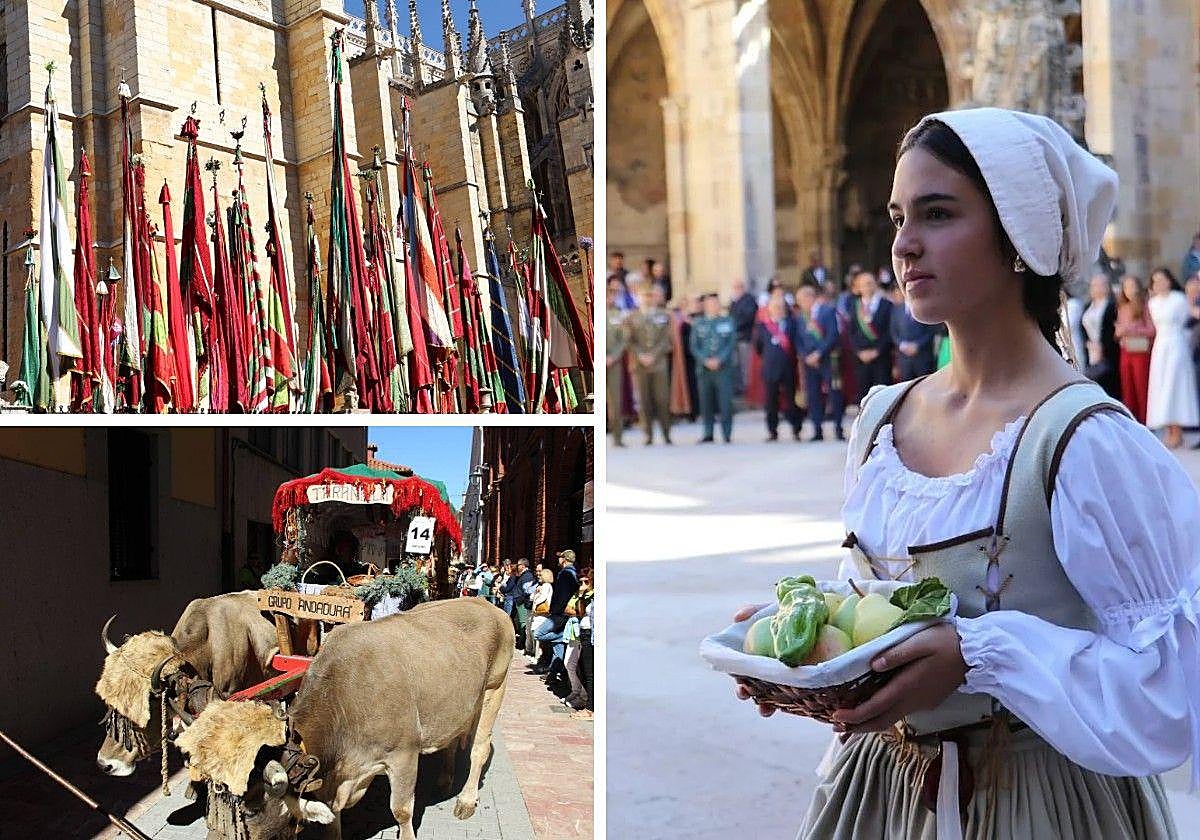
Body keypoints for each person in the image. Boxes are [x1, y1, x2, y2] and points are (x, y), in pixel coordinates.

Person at [734, 107, 1195, 838]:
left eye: (938, 213)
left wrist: (978, 657)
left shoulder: (1086, 440)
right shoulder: (882, 419)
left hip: (1039, 801)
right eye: (897, 218)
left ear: (1020, 235)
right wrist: (807, 638)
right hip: (880, 793)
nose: (904, 246)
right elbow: (878, 596)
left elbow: (1169, 697)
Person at [1147, 266, 1198, 448]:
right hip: (1160, 347)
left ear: (1169, 280)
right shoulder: (1152, 303)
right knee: (1161, 386)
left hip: (1176, 345)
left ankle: (1178, 430)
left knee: (1174, 385)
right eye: (1156, 281)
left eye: (1162, 279)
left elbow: (1186, 320)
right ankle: (1169, 429)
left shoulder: (1179, 299)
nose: (1159, 283)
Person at [796, 284, 844, 441]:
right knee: (813, 395)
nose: (801, 304)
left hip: (828, 359)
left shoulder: (827, 311)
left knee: (834, 393)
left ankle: (838, 428)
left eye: (802, 301)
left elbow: (833, 335)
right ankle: (817, 430)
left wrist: (819, 354)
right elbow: (798, 340)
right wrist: (806, 356)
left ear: (810, 298)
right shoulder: (800, 317)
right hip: (810, 363)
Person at [752, 293, 803, 441]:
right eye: (775, 307)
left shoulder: (792, 323)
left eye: (781, 307)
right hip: (770, 369)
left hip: (788, 368)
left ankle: (796, 429)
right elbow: (758, 347)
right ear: (769, 309)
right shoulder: (763, 326)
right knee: (771, 402)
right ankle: (772, 431)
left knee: (791, 400)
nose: (778, 310)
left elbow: (796, 343)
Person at [627, 286, 673, 445]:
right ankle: (648, 435)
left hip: (659, 363)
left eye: (650, 296)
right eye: (644, 296)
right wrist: (640, 354)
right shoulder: (633, 317)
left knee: (662, 399)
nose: (647, 299)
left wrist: (653, 355)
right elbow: (630, 340)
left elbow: (666, 339)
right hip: (641, 363)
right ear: (639, 298)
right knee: (644, 400)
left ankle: (666, 433)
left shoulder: (663, 316)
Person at [689, 293, 737, 443]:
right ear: (705, 306)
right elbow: (694, 346)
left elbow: (731, 343)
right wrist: (705, 360)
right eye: (709, 304)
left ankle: (727, 433)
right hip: (704, 370)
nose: (713, 306)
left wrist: (720, 359)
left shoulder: (727, 321)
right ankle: (708, 432)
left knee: (725, 402)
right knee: (706, 402)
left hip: (723, 369)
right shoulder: (698, 323)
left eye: (715, 303)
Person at [532, 549, 580, 679]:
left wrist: (557, 610)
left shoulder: (566, 574)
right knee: (557, 646)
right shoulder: (573, 573)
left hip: (559, 613)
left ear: (564, 559)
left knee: (538, 633)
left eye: (560, 557)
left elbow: (562, 595)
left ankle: (561, 637)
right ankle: (553, 674)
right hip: (564, 613)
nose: (558, 560)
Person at [1115, 274, 1155, 424]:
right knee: (1128, 387)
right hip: (1125, 351)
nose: (1129, 290)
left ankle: (1145, 421)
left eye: (1132, 286)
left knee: (1141, 387)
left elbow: (1151, 330)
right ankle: (1132, 421)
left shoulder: (1144, 306)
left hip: (1140, 351)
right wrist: (1119, 331)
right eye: (1126, 287)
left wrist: (1131, 329)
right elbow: (1119, 330)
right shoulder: (1122, 307)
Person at [847, 270, 894, 393]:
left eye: (870, 283)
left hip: (881, 358)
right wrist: (859, 352)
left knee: (883, 395)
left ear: (875, 284)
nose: (868, 286)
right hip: (861, 359)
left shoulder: (887, 305)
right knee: (864, 395)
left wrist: (877, 351)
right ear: (859, 288)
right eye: (864, 284)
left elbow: (890, 331)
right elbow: (851, 332)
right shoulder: (854, 306)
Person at [1081, 273, 1120, 398]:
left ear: (1107, 287)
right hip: (1091, 350)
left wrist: (1103, 347)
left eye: (1101, 285)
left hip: (1108, 351)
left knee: (1108, 384)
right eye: (1094, 285)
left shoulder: (1112, 306)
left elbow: (1112, 328)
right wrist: (1087, 343)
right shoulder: (1088, 306)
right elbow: (1082, 327)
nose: (1097, 288)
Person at [888, 295, 938, 381]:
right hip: (904, 359)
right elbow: (893, 332)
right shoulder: (896, 309)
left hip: (923, 357)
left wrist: (917, 345)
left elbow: (931, 331)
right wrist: (902, 345)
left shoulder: (925, 308)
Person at [606, 277, 630, 447]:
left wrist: (613, 356)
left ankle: (618, 437)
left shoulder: (618, 315)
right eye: (608, 295)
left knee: (616, 401)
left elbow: (624, 339)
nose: (610, 298)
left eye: (613, 295)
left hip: (614, 362)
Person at [729, 278, 759, 396]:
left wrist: (734, 327)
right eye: (734, 287)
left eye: (737, 287)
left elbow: (748, 317)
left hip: (745, 338)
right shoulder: (734, 301)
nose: (735, 290)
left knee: (746, 366)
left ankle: (748, 390)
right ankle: (739, 388)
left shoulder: (749, 300)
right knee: (737, 365)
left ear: (742, 288)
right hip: (736, 338)